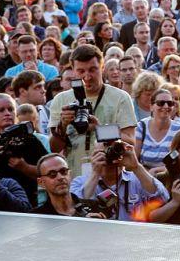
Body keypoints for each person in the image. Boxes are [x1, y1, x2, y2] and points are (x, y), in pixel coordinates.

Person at [48, 45, 137, 176]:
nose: (87, 76)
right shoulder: (61, 100)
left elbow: (130, 141)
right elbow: (54, 148)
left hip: (110, 175)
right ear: (73, 70)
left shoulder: (120, 97)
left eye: (92, 70)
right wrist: (63, 125)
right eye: (81, 71)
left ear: (102, 67)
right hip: (74, 175)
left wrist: (100, 129)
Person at [71, 138, 169, 221]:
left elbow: (163, 200)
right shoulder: (80, 182)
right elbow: (76, 211)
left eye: (113, 149)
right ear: (94, 155)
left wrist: (136, 167)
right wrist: (95, 173)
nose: (110, 154)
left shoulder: (138, 179)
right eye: (105, 151)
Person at [134, 88, 180, 174]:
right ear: (151, 107)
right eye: (161, 103)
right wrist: (147, 174)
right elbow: (134, 160)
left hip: (169, 176)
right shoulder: (141, 126)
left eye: (170, 103)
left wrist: (156, 171)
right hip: (142, 175)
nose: (166, 106)